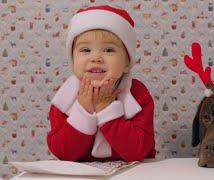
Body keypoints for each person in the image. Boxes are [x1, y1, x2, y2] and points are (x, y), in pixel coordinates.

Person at [47, 5, 155, 162]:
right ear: (73, 60)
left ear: (127, 63)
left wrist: (106, 107)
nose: (96, 57)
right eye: (85, 50)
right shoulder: (65, 98)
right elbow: (64, 153)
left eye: (109, 50)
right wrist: (83, 109)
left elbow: (137, 151)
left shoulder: (137, 94)